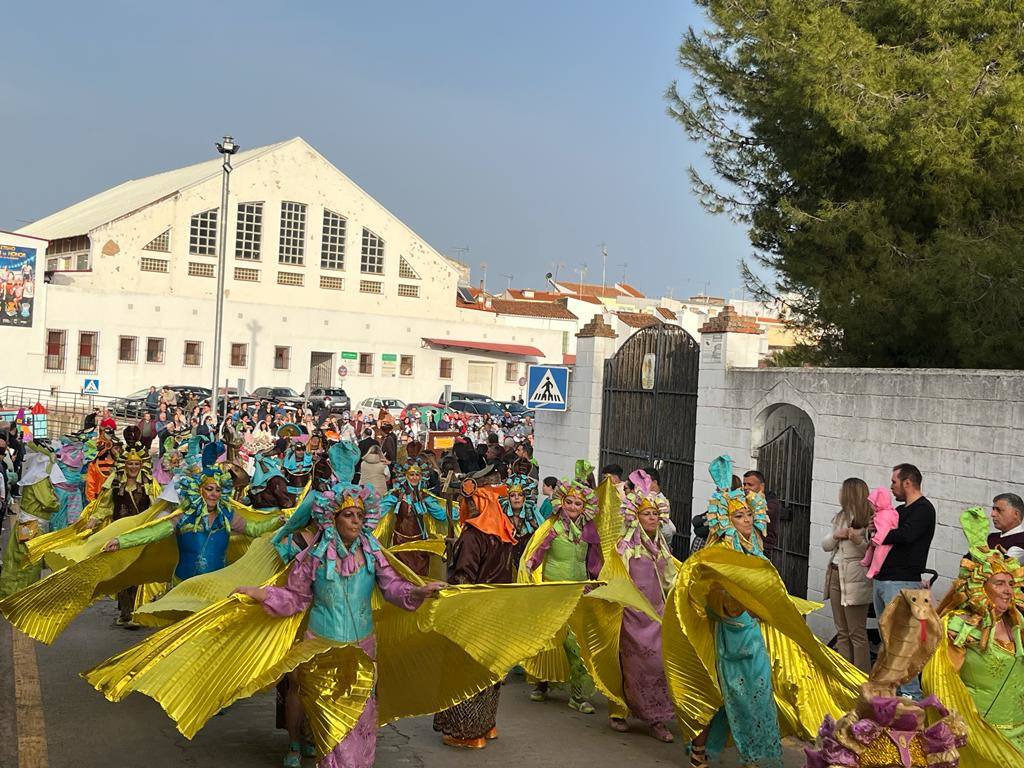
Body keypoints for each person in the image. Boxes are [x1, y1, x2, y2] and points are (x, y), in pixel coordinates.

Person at [236, 484, 445, 767]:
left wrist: (418, 591)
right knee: (334, 734)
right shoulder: (314, 557)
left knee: (362, 725)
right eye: (349, 514)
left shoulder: (373, 552)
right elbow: (295, 597)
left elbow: (392, 587)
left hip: (363, 651)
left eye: (360, 514)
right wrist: (258, 593)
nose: (357, 520)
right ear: (333, 518)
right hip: (323, 652)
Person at [923, 506, 1024, 764]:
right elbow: (940, 683)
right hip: (979, 735)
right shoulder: (960, 627)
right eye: (999, 584)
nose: (1007, 591)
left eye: (1010, 584)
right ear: (980, 586)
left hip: (1019, 733)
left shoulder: (1019, 624)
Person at [433, 466, 517, 749]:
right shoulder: (503, 533)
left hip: (473, 612)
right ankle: (487, 724)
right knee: (489, 669)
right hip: (498, 611)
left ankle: (467, 732)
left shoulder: (473, 537)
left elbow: (464, 577)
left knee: (465, 669)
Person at [521, 476, 602, 714]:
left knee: (576, 644)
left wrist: (594, 580)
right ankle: (541, 683)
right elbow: (538, 552)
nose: (574, 507)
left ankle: (578, 695)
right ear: (561, 503)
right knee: (546, 639)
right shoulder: (553, 527)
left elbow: (594, 560)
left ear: (585, 506)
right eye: (570, 502)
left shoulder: (589, 530)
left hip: (577, 592)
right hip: (552, 591)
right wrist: (529, 568)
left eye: (578, 504)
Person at [609, 469, 676, 742]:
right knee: (630, 666)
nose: (652, 518)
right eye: (647, 514)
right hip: (632, 617)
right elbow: (615, 578)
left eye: (655, 514)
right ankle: (620, 712)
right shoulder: (625, 548)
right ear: (635, 516)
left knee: (658, 666)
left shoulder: (662, 547)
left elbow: (671, 579)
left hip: (657, 617)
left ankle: (656, 719)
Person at [872, 462, 935, 698]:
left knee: (902, 641)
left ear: (908, 482)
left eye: (894, 482)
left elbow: (906, 536)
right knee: (888, 641)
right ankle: (892, 689)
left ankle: (910, 694)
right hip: (883, 579)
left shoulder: (923, 509)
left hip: (902, 581)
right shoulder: (900, 510)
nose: (892, 487)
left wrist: (880, 534)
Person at [821, 478, 874, 672]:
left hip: (855, 579)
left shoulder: (870, 518)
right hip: (836, 574)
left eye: (843, 490)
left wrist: (856, 538)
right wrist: (837, 535)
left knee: (856, 632)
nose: (840, 493)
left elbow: (871, 553)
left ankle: (861, 676)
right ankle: (845, 675)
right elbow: (826, 545)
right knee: (842, 631)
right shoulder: (840, 517)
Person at [109, 443, 157, 628]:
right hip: (119, 535)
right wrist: (93, 521)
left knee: (138, 571)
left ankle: (139, 609)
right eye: (130, 464)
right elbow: (104, 506)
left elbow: (157, 507)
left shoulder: (148, 485)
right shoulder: (115, 484)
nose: (133, 468)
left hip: (140, 535)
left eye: (137, 464)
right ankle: (126, 611)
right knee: (123, 572)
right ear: (124, 465)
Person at [742, 469, 779, 554]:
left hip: (762, 549)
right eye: (744, 484)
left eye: (750, 485)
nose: (745, 488)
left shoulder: (771, 502)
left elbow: (761, 515)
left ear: (761, 486)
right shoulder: (744, 498)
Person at [988, 493, 1024, 560]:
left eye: (999, 510)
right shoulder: (991, 537)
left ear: (1016, 514)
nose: (993, 514)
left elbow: (1004, 567)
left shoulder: (1022, 540)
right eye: (993, 509)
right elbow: (966, 562)